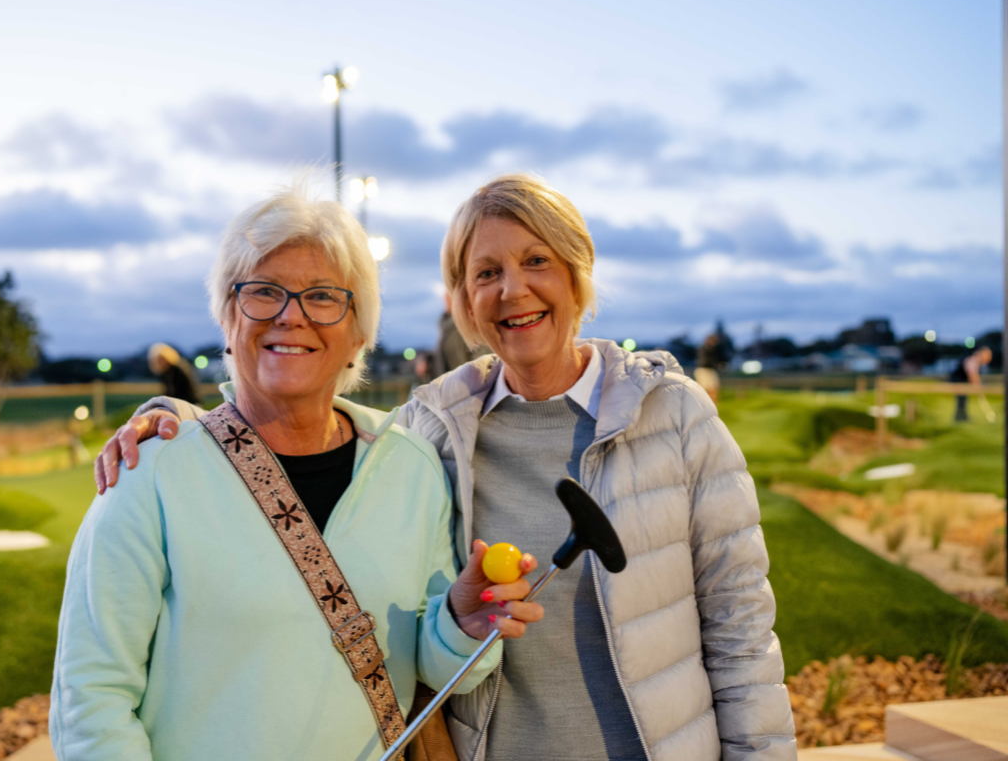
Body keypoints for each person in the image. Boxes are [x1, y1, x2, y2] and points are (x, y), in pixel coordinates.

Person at [100, 174, 795, 760]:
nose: (512, 291)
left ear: (578, 276)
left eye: (537, 262)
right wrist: (180, 419)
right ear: (461, 299)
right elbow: (278, 425)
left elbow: (740, 633)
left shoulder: (675, 417)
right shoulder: (436, 428)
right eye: (485, 273)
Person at [54, 188, 543, 761]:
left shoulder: (410, 466)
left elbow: (431, 668)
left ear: (359, 332)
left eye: (322, 297)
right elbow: (90, 702)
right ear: (226, 315)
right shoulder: (150, 472)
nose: (292, 315)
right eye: (263, 292)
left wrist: (464, 620)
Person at [433, 293, 490, 378]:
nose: (445, 301)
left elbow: (483, 358)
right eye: (445, 297)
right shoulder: (446, 328)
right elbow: (443, 360)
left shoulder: (470, 324)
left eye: (449, 296)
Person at [950, 345, 994, 422]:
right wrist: (977, 385)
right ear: (983, 353)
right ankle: (960, 417)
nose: (989, 358)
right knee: (961, 397)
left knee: (964, 397)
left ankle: (962, 416)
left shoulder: (977, 359)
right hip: (958, 378)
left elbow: (975, 374)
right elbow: (972, 373)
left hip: (963, 378)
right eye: (988, 355)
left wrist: (977, 384)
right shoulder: (975, 358)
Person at [695, 333, 725, 404]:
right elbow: (705, 362)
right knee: (706, 391)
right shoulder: (705, 349)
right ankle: (705, 407)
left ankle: (711, 407)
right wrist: (717, 365)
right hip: (705, 370)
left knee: (713, 390)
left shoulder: (710, 349)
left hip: (708, 370)